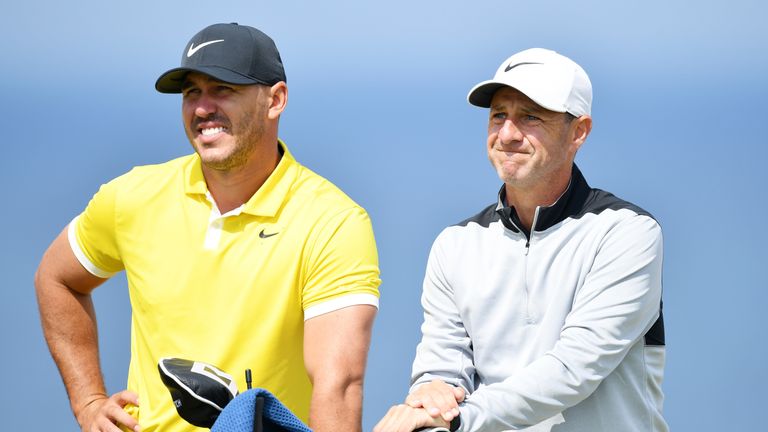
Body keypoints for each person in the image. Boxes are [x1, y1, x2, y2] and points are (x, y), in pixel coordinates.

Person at [35, 23, 381, 432]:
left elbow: (337, 385)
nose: (202, 108)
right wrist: (89, 402)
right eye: (191, 92)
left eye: (223, 89)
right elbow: (56, 278)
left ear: (276, 100)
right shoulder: (132, 196)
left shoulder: (333, 222)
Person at [374, 48, 667, 432]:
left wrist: (461, 418)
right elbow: (443, 372)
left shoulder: (626, 232)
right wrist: (432, 393)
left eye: (530, 117)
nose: (508, 134)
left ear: (579, 131)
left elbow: (573, 369)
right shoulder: (455, 244)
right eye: (499, 115)